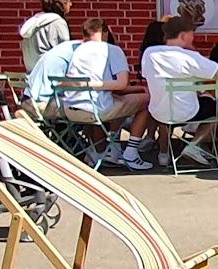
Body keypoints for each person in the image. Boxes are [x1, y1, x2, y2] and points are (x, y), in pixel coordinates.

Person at [60, 18, 152, 169]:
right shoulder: (111, 50)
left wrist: (90, 86)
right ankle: (131, 152)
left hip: (69, 108)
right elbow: (122, 84)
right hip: (95, 108)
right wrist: (95, 86)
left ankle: (109, 150)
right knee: (146, 100)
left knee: (119, 101)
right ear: (105, 33)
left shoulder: (76, 50)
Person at [141, 15, 218, 168]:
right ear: (183, 35)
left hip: (158, 111)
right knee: (217, 108)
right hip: (187, 113)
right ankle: (193, 146)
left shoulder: (149, 53)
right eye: (192, 34)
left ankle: (163, 155)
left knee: (166, 110)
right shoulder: (189, 56)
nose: (193, 37)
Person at [22, 38, 81, 119]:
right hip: (41, 103)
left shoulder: (68, 47)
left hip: (29, 98)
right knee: (84, 106)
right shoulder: (79, 53)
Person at [20, 0, 73, 71]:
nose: (71, 4)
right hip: (50, 72)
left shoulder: (34, 22)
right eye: (69, 2)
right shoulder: (58, 22)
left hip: (32, 73)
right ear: (62, 4)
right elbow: (65, 50)